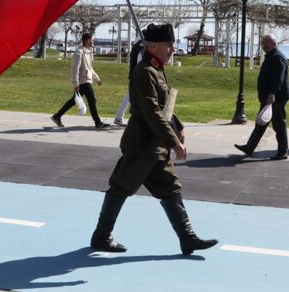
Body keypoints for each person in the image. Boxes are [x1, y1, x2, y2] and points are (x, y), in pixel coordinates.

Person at [90, 23, 217, 255]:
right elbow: (151, 112)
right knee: (120, 188)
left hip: (156, 147)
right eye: (169, 45)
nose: (172, 49)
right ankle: (101, 237)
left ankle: (187, 238)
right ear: (155, 45)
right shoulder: (144, 71)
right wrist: (174, 142)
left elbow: (164, 107)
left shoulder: (156, 69)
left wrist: (178, 127)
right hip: (142, 146)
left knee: (170, 188)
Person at [235, 34, 289, 160]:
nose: (264, 46)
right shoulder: (271, 56)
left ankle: (283, 151)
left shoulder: (277, 57)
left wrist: (272, 94)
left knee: (278, 124)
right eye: (262, 43)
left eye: (266, 43)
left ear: (273, 43)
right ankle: (250, 147)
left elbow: (278, 79)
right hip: (268, 97)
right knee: (261, 122)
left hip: (276, 97)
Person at [51, 32, 110, 129]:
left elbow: (90, 68)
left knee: (74, 101)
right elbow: (75, 69)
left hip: (86, 80)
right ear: (87, 40)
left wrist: (97, 78)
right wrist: (75, 83)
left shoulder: (88, 52)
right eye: (92, 40)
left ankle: (57, 116)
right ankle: (98, 123)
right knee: (91, 100)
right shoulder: (79, 52)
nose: (93, 42)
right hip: (83, 82)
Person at [113, 38, 146, 127]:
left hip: (135, 77)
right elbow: (141, 64)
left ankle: (119, 117)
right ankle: (119, 118)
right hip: (138, 78)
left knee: (129, 98)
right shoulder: (139, 52)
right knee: (135, 98)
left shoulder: (136, 50)